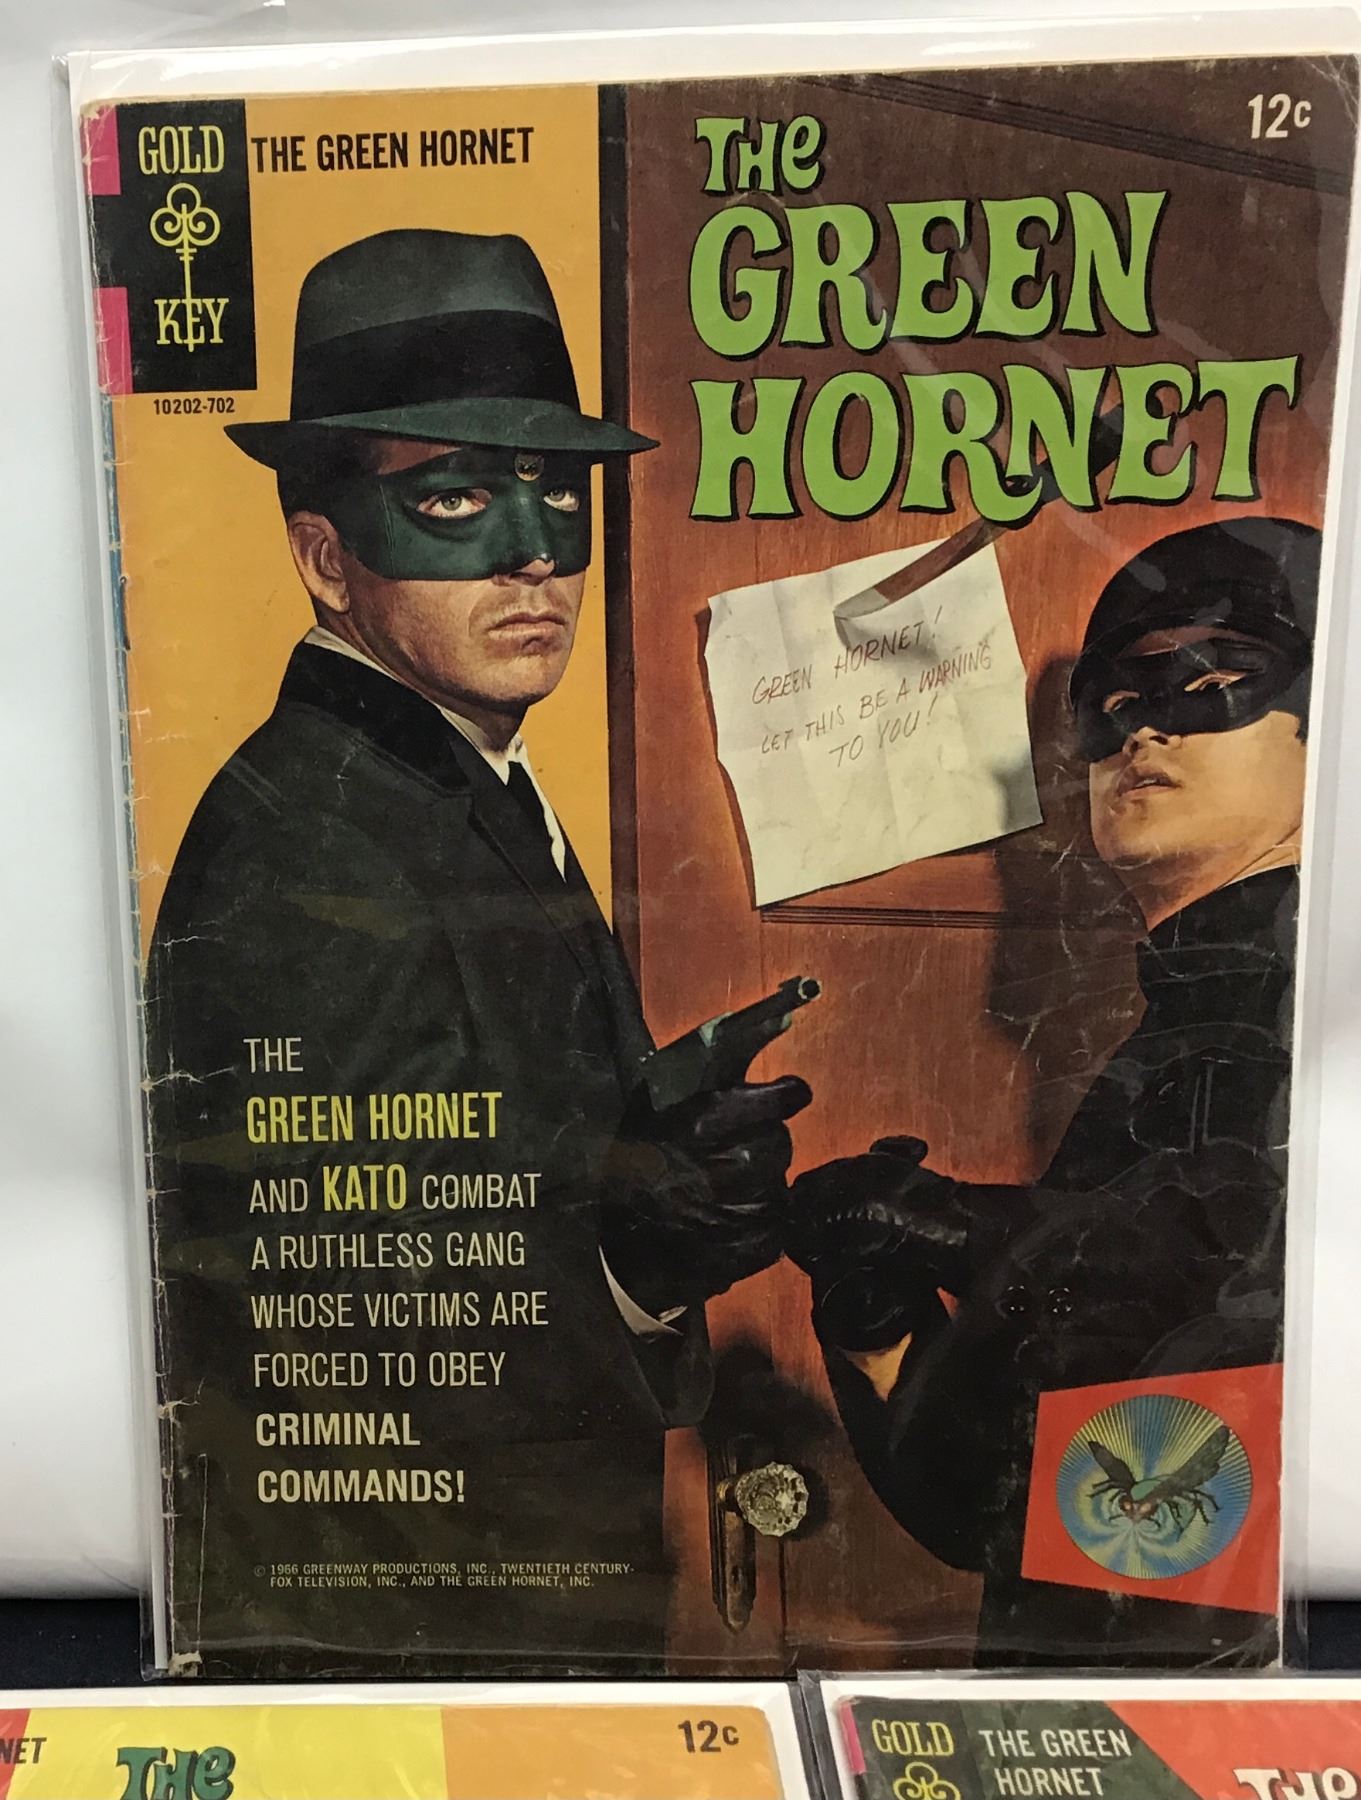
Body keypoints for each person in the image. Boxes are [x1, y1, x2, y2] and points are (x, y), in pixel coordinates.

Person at [144, 229, 809, 1677]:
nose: (533, 552)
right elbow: (349, 1302)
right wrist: (633, 1257)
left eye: (556, 491)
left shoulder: (454, 782)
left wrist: (656, 1156)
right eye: (451, 495)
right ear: (325, 558)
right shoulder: (308, 835)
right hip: (395, 1647)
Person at [788, 517, 1317, 1668]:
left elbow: (1251, 1253)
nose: (1144, 727)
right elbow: (1019, 1516)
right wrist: (881, 1319)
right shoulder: (1174, 1031)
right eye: (1112, 704)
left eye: (1213, 683)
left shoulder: (1336, 1009)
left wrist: (975, 1233)